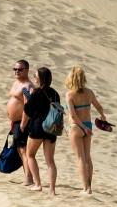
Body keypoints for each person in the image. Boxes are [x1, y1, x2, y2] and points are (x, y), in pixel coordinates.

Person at [63, 65, 109, 196]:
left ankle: (86, 188)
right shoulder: (89, 93)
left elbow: (72, 115)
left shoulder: (69, 94)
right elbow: (99, 106)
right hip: (88, 125)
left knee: (80, 159)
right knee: (87, 157)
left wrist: (82, 127)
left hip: (76, 127)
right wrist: (103, 116)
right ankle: (89, 185)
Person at [19, 66, 62, 195]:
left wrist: (22, 124)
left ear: (40, 78)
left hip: (37, 128)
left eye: (35, 76)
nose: (34, 78)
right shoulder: (55, 93)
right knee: (50, 161)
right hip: (51, 129)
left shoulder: (36, 93)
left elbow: (28, 111)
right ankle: (52, 190)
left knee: (30, 155)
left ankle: (38, 184)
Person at [8, 59, 36, 187]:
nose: (17, 72)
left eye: (20, 69)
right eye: (15, 69)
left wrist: (23, 124)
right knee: (20, 151)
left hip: (23, 122)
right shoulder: (16, 82)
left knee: (24, 151)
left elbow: (28, 107)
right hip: (15, 122)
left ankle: (29, 179)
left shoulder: (28, 86)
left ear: (27, 70)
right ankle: (27, 176)